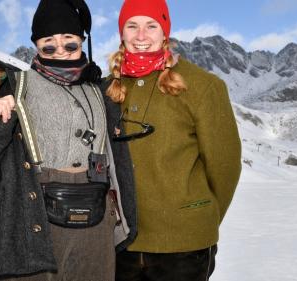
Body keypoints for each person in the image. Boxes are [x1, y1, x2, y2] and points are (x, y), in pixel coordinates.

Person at [0, 0, 136, 280]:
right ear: (36, 45)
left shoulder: (101, 91)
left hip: (96, 225)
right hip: (33, 221)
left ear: (82, 41)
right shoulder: (12, 85)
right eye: (48, 44)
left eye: (69, 43)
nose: (59, 50)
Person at [102, 0, 242, 280]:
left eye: (151, 25)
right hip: (121, 245)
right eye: (132, 26)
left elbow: (224, 168)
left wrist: (198, 218)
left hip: (184, 247)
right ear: (122, 32)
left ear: (165, 31)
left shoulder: (203, 86)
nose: (141, 36)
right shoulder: (108, 88)